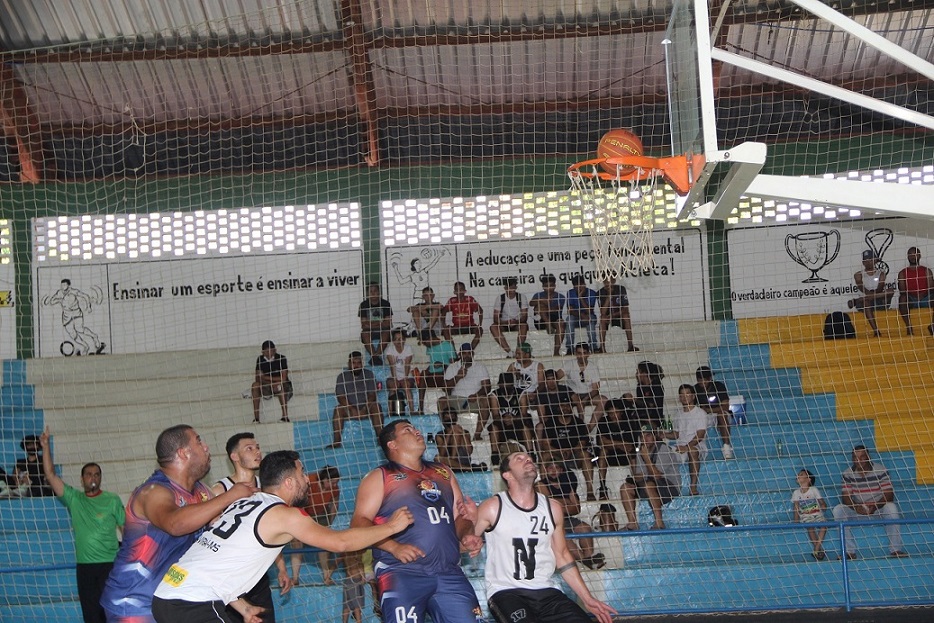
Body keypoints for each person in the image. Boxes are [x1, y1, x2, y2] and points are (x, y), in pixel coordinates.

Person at [151, 450, 414, 623]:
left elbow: (218, 560)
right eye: (302, 473)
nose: (308, 480)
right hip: (193, 602)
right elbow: (341, 542)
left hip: (168, 594)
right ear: (288, 482)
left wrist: (242, 607)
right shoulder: (284, 515)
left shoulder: (246, 503)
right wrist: (391, 527)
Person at [100, 424, 255, 623]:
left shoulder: (202, 493)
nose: (206, 447)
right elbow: (175, 524)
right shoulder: (153, 492)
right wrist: (228, 496)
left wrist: (243, 606)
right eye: (199, 441)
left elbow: (207, 555)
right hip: (134, 603)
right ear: (183, 453)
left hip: (172, 602)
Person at [350, 419, 485, 623]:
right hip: (401, 572)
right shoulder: (380, 477)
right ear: (392, 444)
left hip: (448, 572)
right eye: (408, 430)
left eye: (415, 427)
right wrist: (393, 547)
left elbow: (460, 517)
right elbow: (359, 523)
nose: (417, 431)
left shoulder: (443, 472)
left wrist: (467, 535)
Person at [472, 452, 616, 623]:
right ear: (507, 475)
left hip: (547, 592)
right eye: (519, 459)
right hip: (507, 592)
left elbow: (563, 556)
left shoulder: (553, 508)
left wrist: (587, 599)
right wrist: (468, 540)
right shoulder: (492, 507)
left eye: (529, 458)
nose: (527, 460)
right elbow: (461, 543)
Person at [39, 427, 125, 623]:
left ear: (100, 478)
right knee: (91, 615)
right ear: (82, 478)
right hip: (85, 568)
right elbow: (51, 475)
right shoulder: (74, 499)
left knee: (111, 613)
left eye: (96, 474)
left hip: (109, 566)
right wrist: (45, 447)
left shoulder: (112, 500)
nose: (93, 478)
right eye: (88, 474)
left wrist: (127, 556)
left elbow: (125, 529)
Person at [211, 433, 291, 622]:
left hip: (258, 576)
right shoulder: (220, 490)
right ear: (234, 456)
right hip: (231, 577)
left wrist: (281, 568)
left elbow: (271, 532)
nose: (257, 451)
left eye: (257, 447)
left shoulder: (267, 488)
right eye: (249, 448)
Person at [832, 445, 906, 559]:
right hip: (858, 511)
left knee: (891, 508)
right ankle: (848, 552)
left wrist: (875, 506)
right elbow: (846, 497)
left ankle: (895, 549)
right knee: (838, 509)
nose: (858, 460)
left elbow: (889, 495)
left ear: (868, 457)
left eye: (862, 457)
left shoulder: (880, 470)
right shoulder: (847, 473)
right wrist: (857, 507)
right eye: (855, 457)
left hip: (878, 510)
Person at [536, 461, 604, 569]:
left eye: (556, 468)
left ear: (562, 470)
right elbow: (549, 506)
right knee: (561, 536)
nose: (553, 471)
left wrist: (559, 503)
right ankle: (586, 561)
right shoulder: (541, 484)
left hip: (566, 519)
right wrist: (567, 502)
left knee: (585, 528)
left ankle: (589, 558)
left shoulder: (567, 485)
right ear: (546, 470)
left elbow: (577, 509)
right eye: (550, 468)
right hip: (550, 521)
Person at [619, 427, 681, 531]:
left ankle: (659, 523)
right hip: (650, 484)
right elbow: (639, 475)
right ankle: (632, 523)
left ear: (654, 436)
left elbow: (656, 475)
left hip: (670, 487)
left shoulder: (663, 449)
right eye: (642, 436)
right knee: (625, 488)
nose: (645, 439)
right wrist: (634, 479)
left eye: (648, 435)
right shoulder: (641, 452)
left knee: (649, 485)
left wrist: (646, 458)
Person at [290, 466, 342, 585]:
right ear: (324, 479)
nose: (334, 485)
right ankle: (295, 578)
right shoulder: (309, 481)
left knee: (323, 544)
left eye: (336, 482)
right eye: (332, 482)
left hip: (321, 514)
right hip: (303, 511)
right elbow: (297, 501)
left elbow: (334, 506)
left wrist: (328, 523)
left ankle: (326, 577)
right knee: (296, 543)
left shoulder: (334, 490)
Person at [329, 351, 384, 448]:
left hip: (366, 409)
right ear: (349, 364)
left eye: (358, 363)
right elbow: (340, 397)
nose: (356, 365)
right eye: (353, 363)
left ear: (362, 363)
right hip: (349, 409)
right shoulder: (342, 377)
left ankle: (381, 438)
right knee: (338, 409)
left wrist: (364, 409)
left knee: (376, 406)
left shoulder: (369, 374)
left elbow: (372, 395)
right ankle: (337, 442)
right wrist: (352, 409)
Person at [439, 343, 494, 441]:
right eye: (464, 353)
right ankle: (448, 431)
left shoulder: (480, 367)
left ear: (472, 354)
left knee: (485, 400)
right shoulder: (452, 367)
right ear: (460, 354)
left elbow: (487, 387)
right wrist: (458, 377)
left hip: (474, 400)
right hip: (456, 400)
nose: (467, 355)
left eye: (469, 353)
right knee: (441, 401)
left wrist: (476, 395)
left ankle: (477, 434)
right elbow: (445, 388)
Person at [662, 384, 708, 496]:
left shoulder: (700, 413)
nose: (684, 397)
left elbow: (700, 435)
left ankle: (693, 487)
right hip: (681, 446)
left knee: (692, 451)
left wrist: (686, 447)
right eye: (681, 395)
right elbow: (677, 434)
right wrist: (663, 434)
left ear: (693, 396)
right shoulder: (678, 414)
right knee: (662, 452)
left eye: (687, 394)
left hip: (697, 447)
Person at [595, 396, 640, 500]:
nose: (614, 416)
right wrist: (619, 444)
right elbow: (601, 442)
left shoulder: (629, 421)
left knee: (632, 451)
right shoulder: (603, 421)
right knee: (603, 452)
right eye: (611, 413)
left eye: (616, 412)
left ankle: (637, 483)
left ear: (621, 412)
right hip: (610, 454)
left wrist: (614, 443)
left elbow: (631, 443)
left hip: (625, 454)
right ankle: (602, 486)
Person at [487, 372, 536, 463]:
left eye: (507, 384)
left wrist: (513, 419)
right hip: (502, 424)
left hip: (517, 423)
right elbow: (495, 415)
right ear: (500, 384)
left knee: (525, 428)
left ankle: (531, 453)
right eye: (503, 384)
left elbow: (524, 414)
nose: (505, 386)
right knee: (493, 428)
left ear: (512, 384)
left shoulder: (521, 393)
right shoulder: (494, 394)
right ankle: (495, 456)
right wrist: (505, 419)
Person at [557, 343, 606, 430]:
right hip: (572, 395)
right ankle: (580, 428)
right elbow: (556, 376)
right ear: (576, 354)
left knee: (603, 400)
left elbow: (595, 389)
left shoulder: (593, 367)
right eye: (579, 353)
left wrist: (586, 398)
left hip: (588, 395)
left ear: (588, 354)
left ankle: (590, 426)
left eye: (584, 353)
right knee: (577, 401)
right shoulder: (570, 364)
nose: (581, 356)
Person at [847, 249, 889, 337]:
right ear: (863, 262)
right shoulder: (858, 274)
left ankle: (857, 300)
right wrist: (869, 295)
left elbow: (880, 289)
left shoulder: (881, 274)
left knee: (891, 291)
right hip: (865, 302)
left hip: (877, 300)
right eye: (866, 260)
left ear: (874, 260)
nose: (868, 262)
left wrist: (871, 295)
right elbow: (861, 287)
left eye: (870, 259)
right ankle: (876, 331)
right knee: (866, 302)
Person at [694, 366, 733, 460]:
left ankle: (727, 447)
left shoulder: (719, 386)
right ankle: (698, 449)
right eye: (700, 380)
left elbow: (725, 407)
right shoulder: (695, 389)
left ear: (710, 379)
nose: (702, 383)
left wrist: (709, 410)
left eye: (704, 380)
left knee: (722, 415)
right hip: (703, 416)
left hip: (718, 414)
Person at [897, 246, 934, 336]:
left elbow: (931, 287)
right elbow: (902, 290)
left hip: (926, 298)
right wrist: (914, 295)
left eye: (915, 254)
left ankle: (933, 326)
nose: (913, 257)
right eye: (911, 255)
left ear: (919, 256)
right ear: (908, 256)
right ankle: (909, 327)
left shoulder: (926, 270)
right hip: (912, 298)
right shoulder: (902, 273)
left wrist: (922, 294)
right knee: (902, 299)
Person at [250, 340, 290, 423]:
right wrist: (271, 382)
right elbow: (258, 378)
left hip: (281, 385)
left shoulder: (281, 358)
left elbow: (283, 378)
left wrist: (265, 377)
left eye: (271, 351)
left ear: (275, 350)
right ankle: (256, 418)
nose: (269, 353)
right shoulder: (260, 359)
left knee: (280, 386)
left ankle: (285, 417)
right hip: (267, 385)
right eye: (266, 351)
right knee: (255, 385)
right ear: (262, 352)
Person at [792, 468, 828, 561]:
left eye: (802, 474)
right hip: (805, 516)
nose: (798, 475)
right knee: (810, 527)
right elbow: (796, 507)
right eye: (798, 474)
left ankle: (816, 548)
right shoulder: (796, 493)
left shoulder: (813, 490)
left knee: (824, 526)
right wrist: (796, 520)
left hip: (817, 514)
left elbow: (821, 501)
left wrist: (823, 505)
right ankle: (818, 549)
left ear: (808, 479)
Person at [489, 277, 529, 357]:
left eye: (512, 288)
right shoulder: (500, 298)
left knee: (524, 326)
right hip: (504, 323)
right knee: (493, 327)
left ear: (516, 288)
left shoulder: (521, 297)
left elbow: (525, 316)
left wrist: (516, 322)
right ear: (505, 288)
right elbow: (496, 318)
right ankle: (509, 352)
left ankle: (519, 351)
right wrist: (506, 322)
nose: (510, 290)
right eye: (508, 288)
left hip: (517, 323)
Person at [598, 275, 638, 352]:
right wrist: (609, 296)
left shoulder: (621, 289)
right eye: (605, 281)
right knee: (602, 319)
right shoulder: (600, 292)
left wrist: (612, 315)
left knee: (626, 316)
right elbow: (602, 312)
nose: (607, 283)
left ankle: (630, 345)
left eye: (609, 281)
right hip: (607, 318)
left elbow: (625, 308)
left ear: (614, 281)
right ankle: (602, 347)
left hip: (619, 316)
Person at [507, 342, 544, 423]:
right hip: (517, 395)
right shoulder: (513, 366)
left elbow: (542, 384)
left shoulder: (538, 366)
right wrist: (512, 375)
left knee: (541, 399)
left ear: (527, 355)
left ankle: (543, 424)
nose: (516, 356)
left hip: (533, 394)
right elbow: (506, 384)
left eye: (519, 354)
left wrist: (535, 393)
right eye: (516, 354)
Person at [529, 273, 566, 356]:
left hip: (554, 319)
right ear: (543, 287)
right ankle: (548, 324)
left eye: (551, 285)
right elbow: (531, 303)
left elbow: (556, 309)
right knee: (540, 306)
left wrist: (543, 306)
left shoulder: (560, 296)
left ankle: (556, 351)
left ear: (555, 286)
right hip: (540, 321)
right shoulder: (538, 295)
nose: (549, 288)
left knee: (561, 324)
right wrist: (542, 300)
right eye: (546, 286)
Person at [385, 328, 419, 416]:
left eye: (400, 339)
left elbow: (407, 365)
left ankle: (412, 410)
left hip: (407, 375)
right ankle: (390, 411)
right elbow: (392, 365)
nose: (398, 341)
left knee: (406, 385)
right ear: (393, 341)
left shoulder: (408, 348)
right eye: (396, 339)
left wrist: (405, 378)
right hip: (393, 376)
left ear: (404, 340)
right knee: (393, 386)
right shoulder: (390, 349)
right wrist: (394, 378)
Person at [442, 281, 483, 350]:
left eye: (461, 290)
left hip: (470, 326)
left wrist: (480, 324)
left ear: (465, 291)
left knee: (480, 330)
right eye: (457, 290)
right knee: (445, 331)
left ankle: (470, 350)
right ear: (454, 292)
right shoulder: (452, 301)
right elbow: (443, 313)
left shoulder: (470, 299)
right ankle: (453, 350)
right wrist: (444, 325)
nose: (459, 292)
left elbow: (480, 310)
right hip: (457, 327)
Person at [359, 283, 393, 365]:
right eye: (371, 291)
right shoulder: (363, 305)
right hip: (369, 331)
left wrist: (371, 323)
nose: (373, 293)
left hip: (383, 330)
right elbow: (364, 325)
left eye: (375, 291)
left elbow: (388, 323)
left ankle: (375, 356)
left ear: (379, 292)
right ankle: (375, 357)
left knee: (387, 332)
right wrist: (380, 323)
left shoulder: (385, 303)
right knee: (364, 333)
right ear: (367, 294)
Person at [415, 329, 457, 396]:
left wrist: (442, 364)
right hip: (433, 373)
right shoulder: (429, 347)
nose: (424, 345)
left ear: (430, 338)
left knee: (447, 374)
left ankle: (449, 398)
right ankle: (420, 404)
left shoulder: (447, 345)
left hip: (444, 372)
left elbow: (454, 364)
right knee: (423, 373)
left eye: (425, 342)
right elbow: (432, 363)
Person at [565, 275, 598, 354]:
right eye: (576, 286)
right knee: (569, 319)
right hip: (577, 317)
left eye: (581, 285)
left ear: (584, 284)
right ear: (574, 286)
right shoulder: (570, 293)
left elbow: (589, 311)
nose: (579, 288)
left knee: (590, 318)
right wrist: (582, 315)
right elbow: (570, 310)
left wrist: (580, 297)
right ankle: (570, 348)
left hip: (589, 317)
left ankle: (594, 347)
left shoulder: (592, 293)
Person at [633, 361, 665, 429]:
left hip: (654, 419)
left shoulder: (656, 386)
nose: (636, 374)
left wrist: (634, 400)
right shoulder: (640, 387)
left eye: (638, 372)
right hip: (642, 418)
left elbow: (652, 405)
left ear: (644, 373)